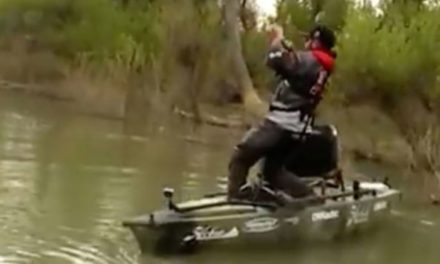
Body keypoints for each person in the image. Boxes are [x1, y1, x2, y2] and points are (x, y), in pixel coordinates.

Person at [227, 24, 337, 200]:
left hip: (281, 123)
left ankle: (234, 200)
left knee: (240, 156)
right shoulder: (321, 65)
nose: (306, 44)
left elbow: (275, 60)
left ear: (316, 41)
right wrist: (285, 46)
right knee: (273, 172)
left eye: (309, 40)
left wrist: (277, 38)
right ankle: (309, 199)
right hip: (296, 127)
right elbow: (294, 68)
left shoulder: (314, 61)